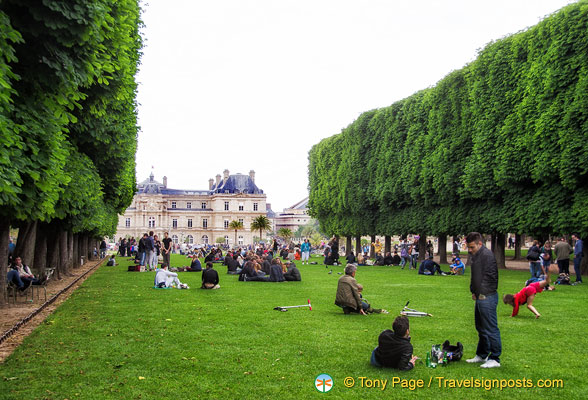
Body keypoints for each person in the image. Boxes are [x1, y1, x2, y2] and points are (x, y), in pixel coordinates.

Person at [466, 232, 501, 368]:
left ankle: (495, 358)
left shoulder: (487, 256)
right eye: (468, 247)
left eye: (472, 247)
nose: (470, 250)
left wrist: (481, 293)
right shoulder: (477, 256)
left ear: (480, 243)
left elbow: (490, 278)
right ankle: (482, 354)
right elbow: (475, 276)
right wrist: (474, 291)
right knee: (481, 327)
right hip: (480, 296)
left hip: (487, 297)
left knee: (490, 328)